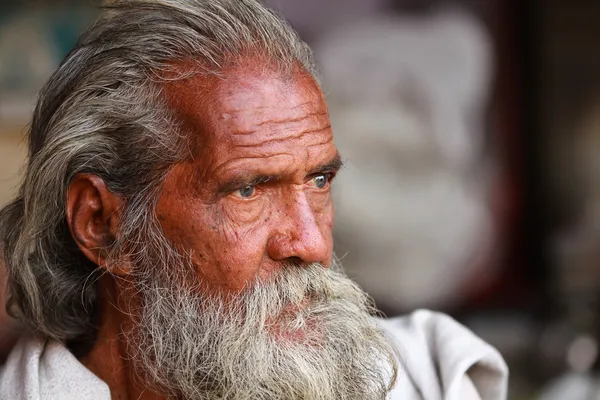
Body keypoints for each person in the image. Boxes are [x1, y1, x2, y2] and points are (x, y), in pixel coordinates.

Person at [0, 1, 508, 399]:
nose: (310, 244)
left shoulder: (424, 378)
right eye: (248, 190)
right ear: (103, 223)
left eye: (319, 181)